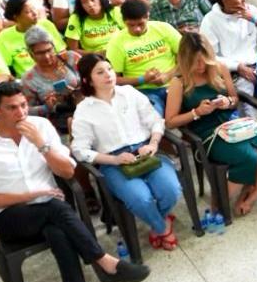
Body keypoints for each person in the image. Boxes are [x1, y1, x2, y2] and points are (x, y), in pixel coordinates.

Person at [0, 86, 148, 282]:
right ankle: (105, 261)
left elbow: (68, 172)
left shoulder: (40, 127)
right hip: (10, 216)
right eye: (11, 108)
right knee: (57, 209)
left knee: (58, 231)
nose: (21, 112)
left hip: (49, 208)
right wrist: (28, 196)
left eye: (23, 105)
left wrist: (41, 145)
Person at [69, 54, 183, 251]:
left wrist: (153, 144)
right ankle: (163, 227)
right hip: (114, 162)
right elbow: (79, 150)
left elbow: (155, 121)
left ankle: (157, 224)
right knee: (141, 199)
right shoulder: (84, 110)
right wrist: (114, 160)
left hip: (146, 151)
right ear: (88, 80)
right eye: (100, 72)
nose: (108, 75)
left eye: (109, 69)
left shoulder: (130, 93)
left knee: (171, 190)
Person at [165, 32, 257, 215]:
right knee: (250, 158)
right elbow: (170, 122)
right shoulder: (179, 82)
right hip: (207, 132)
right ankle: (219, 204)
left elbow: (235, 99)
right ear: (185, 60)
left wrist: (227, 102)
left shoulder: (219, 68)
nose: (201, 66)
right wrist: (196, 112)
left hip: (234, 123)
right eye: (196, 62)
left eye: (205, 61)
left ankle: (249, 198)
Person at [103, 0, 180, 113]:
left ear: (147, 16)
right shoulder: (116, 42)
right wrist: (142, 79)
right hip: (143, 92)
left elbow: (187, 58)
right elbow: (114, 79)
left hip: (176, 83)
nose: (137, 29)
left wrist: (168, 75)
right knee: (152, 114)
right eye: (131, 25)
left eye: (140, 24)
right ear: (124, 21)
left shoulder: (163, 28)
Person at [0, 0, 64, 76]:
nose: (35, 13)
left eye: (34, 9)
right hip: (28, 79)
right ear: (15, 16)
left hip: (56, 73)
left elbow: (62, 52)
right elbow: (5, 68)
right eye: (28, 11)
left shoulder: (46, 25)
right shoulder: (4, 37)